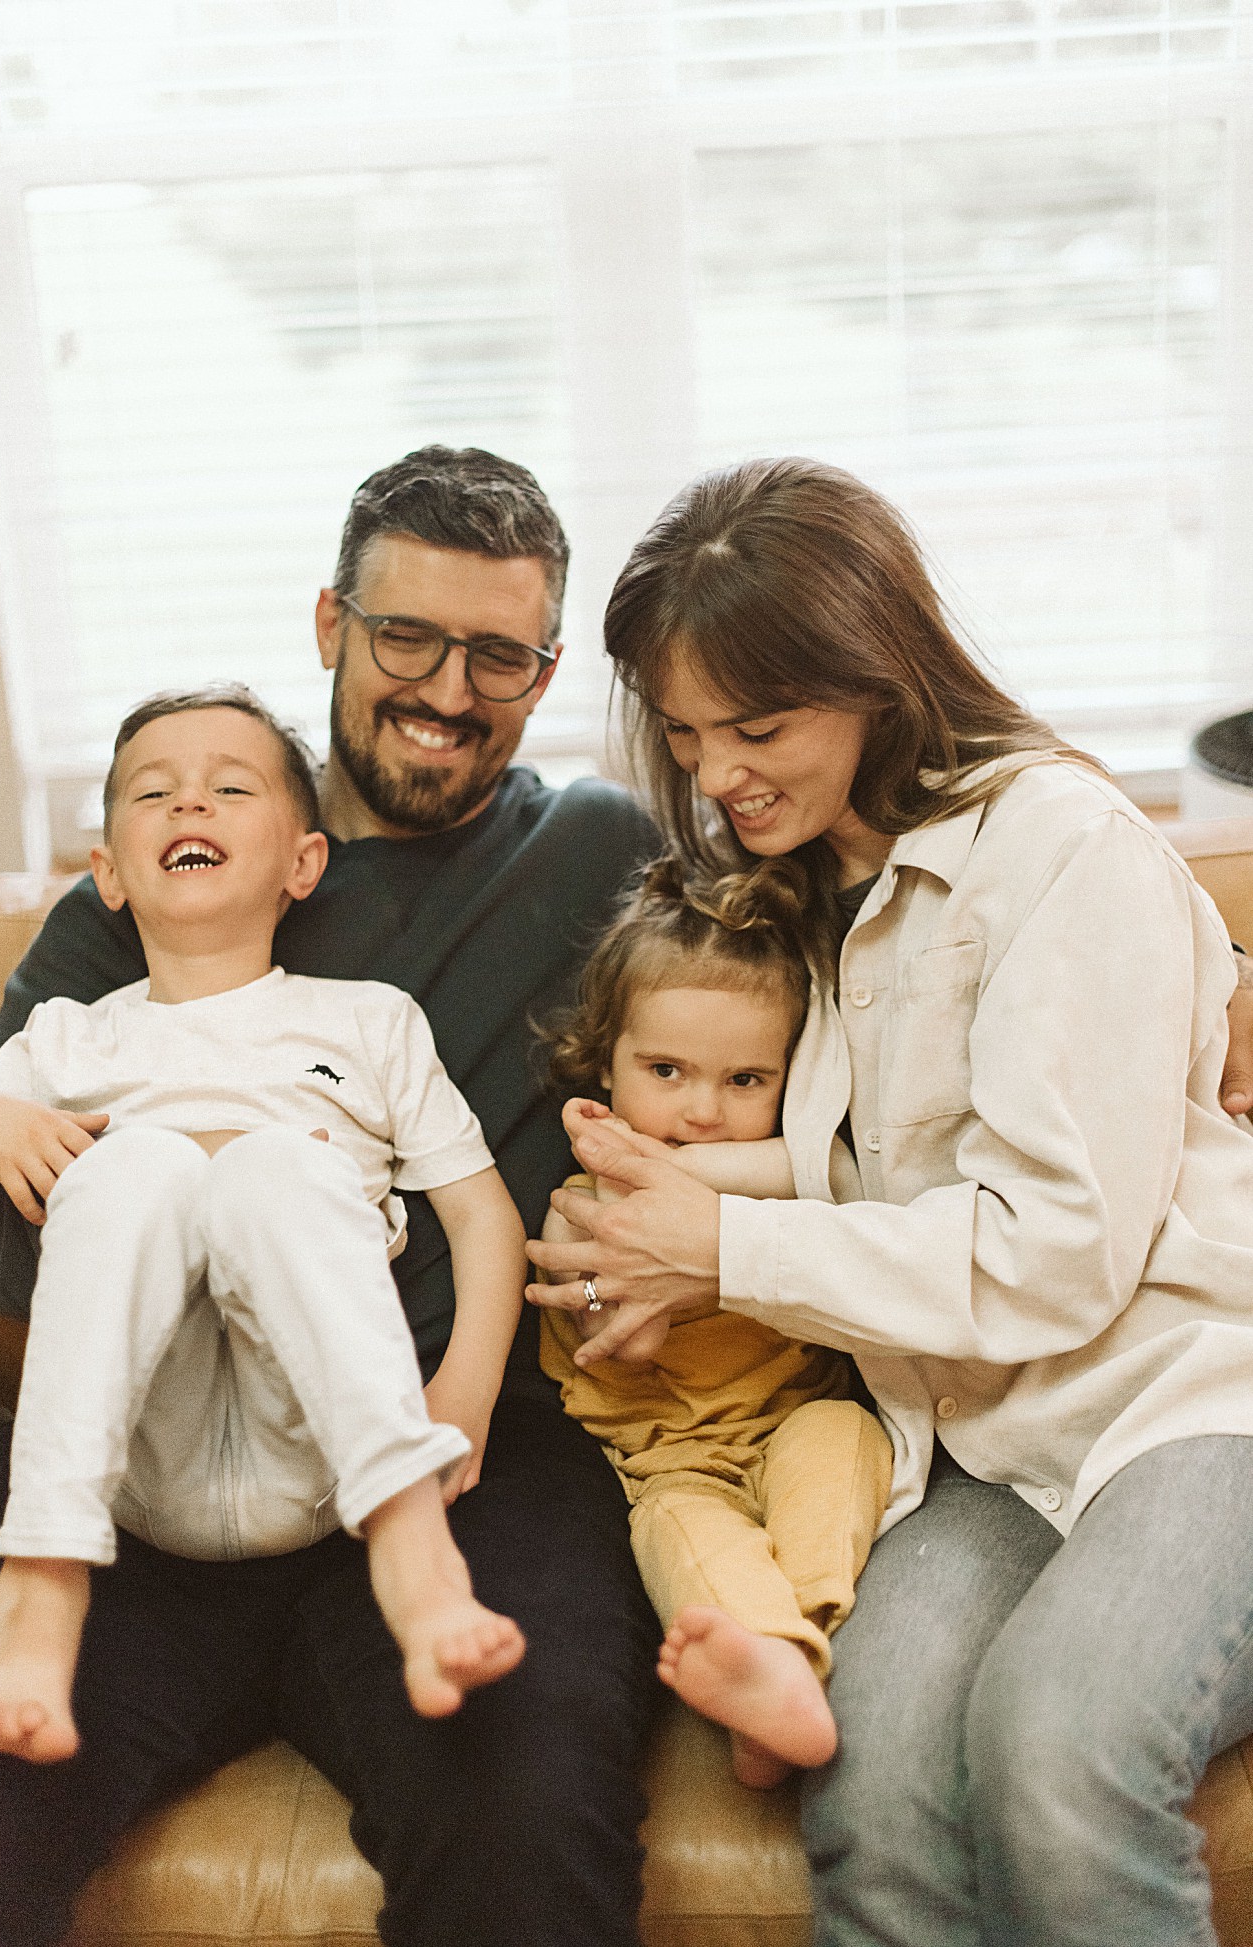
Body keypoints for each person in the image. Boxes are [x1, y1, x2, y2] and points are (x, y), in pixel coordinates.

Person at [525, 455, 1253, 1947]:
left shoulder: (1059, 845)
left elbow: (1052, 1248)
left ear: (875, 673)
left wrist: (720, 1243)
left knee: (1060, 1749)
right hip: (983, 1436)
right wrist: (640, 1225)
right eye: (684, 729)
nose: (718, 769)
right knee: (874, 1778)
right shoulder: (806, 897)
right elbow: (861, 1166)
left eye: (759, 723)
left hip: (1190, 1397)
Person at [0, 446, 662, 1947]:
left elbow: (833, 898)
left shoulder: (602, 851)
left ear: (544, 673)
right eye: (409, 637)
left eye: (501, 655)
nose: (449, 690)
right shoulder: (144, 899)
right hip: (133, 1453)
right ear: (332, 623)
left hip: (458, 1455)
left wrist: (1219, 980)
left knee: (525, 1804)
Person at [0, 687, 529, 1764]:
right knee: (138, 1168)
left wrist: (468, 1390)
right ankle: (41, 1584)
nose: (190, 806)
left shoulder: (368, 1022)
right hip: (137, 1463)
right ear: (110, 874)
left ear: (302, 864)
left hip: (324, 1446)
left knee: (273, 1168)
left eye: (229, 787)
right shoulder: (61, 1042)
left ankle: (413, 1549)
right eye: (154, 792)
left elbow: (483, 1216)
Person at [538, 854, 892, 1789]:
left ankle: (788, 1658)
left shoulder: (790, 1169)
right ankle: (766, 1660)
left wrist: (676, 1179)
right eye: (665, 1071)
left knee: (847, 1436)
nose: (702, 1111)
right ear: (602, 1065)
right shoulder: (579, 1208)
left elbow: (839, 1178)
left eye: (745, 1079)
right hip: (671, 1464)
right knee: (689, 1540)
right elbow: (634, 1337)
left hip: (793, 1423)